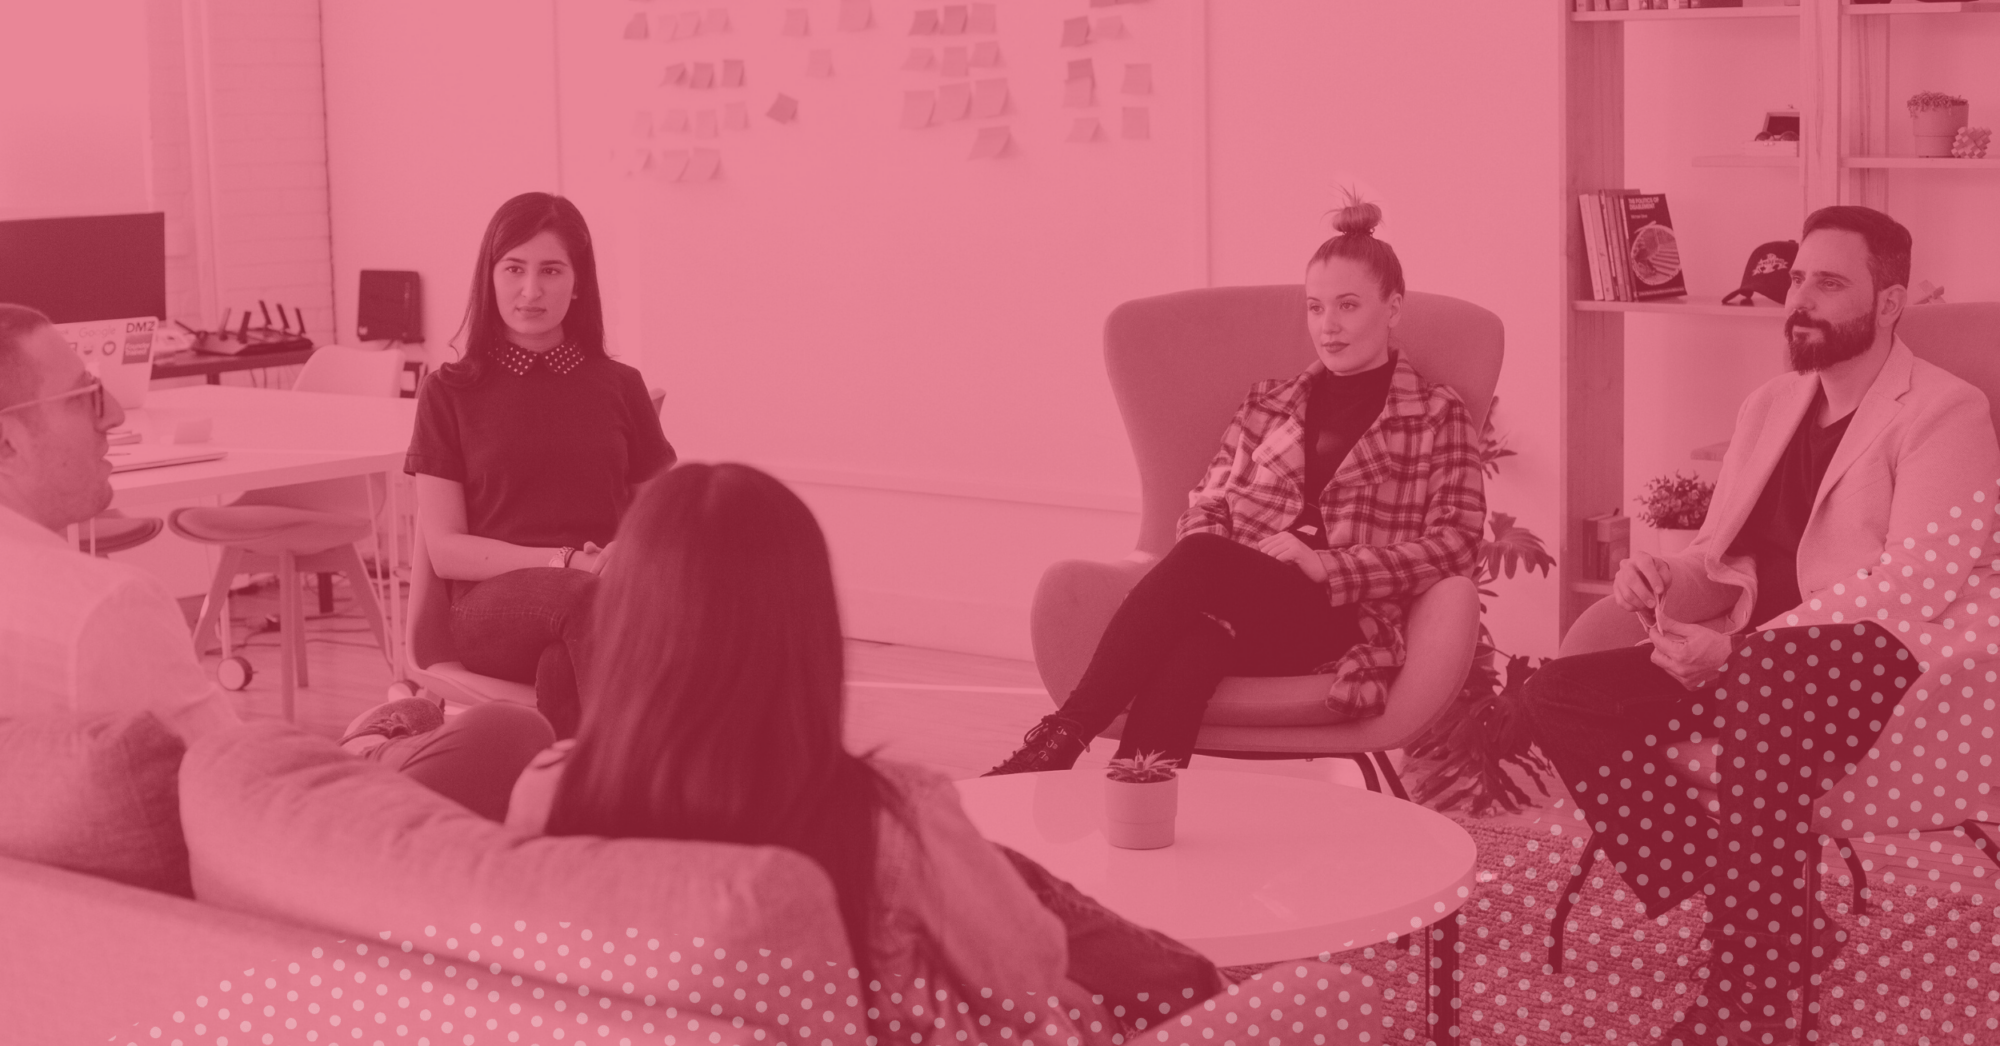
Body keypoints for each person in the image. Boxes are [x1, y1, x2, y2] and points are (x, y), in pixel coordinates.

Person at [475, 463, 1221, 1040]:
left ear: (628, 621)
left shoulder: (547, 791)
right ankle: (1206, 994)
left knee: (997, 869)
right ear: (804, 628)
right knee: (1068, 932)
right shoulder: (889, 819)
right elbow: (1024, 984)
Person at [1520, 205, 2000, 1044]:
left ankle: (1751, 1002)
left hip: (1877, 664)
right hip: (1753, 665)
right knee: (1557, 692)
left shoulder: (1945, 411)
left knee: (1767, 685)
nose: (1800, 299)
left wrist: (1741, 652)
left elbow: (1916, 583)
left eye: (1829, 282)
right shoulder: (1771, 404)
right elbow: (1722, 556)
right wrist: (1662, 577)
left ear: (1889, 302)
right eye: (1798, 278)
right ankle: (1782, 920)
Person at [985, 198, 1486, 775]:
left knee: (1202, 560)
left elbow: (1457, 543)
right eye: (1316, 307)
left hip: (1340, 617)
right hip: (1241, 600)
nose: (1328, 326)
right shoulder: (1269, 403)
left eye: (1348, 306)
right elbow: (1209, 503)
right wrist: (1235, 571)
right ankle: (1136, 797)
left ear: (1393, 307)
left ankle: (1062, 737)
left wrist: (1329, 565)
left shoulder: (1435, 413)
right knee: (1195, 643)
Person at [405, 192, 674, 739]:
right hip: (489, 610)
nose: (531, 290)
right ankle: (658, 768)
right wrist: (567, 562)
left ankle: (570, 782)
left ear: (578, 284)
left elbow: (667, 517)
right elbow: (446, 550)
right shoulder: (449, 392)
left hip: (597, 601)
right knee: (588, 602)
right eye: (514, 269)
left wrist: (624, 552)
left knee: (562, 664)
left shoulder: (620, 386)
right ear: (489, 278)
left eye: (551, 270)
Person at [0, 303, 238, 740]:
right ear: (6, 444)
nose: (114, 414)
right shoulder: (105, 608)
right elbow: (229, 766)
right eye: (84, 396)